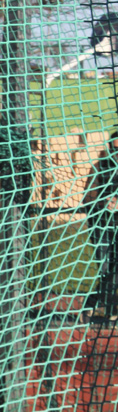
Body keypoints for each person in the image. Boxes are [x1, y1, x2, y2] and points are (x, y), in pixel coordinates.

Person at [84, 131, 118, 320]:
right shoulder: (100, 167)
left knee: (116, 270)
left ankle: (95, 303)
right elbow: (87, 196)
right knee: (105, 269)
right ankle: (110, 308)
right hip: (102, 226)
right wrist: (102, 202)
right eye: (114, 148)